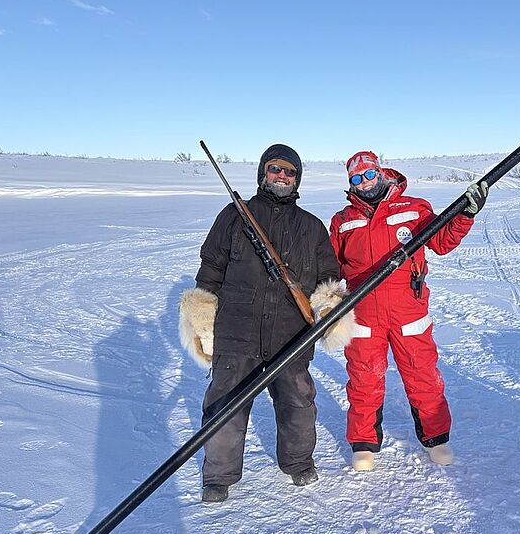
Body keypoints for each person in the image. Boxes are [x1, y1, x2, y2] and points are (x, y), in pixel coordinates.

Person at [178, 143, 343, 503]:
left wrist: (326, 310)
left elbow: (329, 278)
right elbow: (211, 267)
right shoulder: (234, 216)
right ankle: (219, 477)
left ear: (297, 179)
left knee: (298, 403)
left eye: (289, 171)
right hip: (237, 329)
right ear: (262, 173)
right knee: (225, 406)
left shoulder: (312, 227)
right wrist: (203, 317)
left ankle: (299, 463)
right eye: (275, 169)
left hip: (291, 334)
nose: (282, 176)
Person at [329, 150, 489, 471]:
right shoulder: (342, 221)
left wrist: (465, 215)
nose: (364, 182)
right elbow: (330, 266)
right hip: (363, 316)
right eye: (356, 178)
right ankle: (364, 445)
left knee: (423, 376)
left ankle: (436, 439)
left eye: (369, 174)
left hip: (408, 312)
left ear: (380, 173)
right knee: (364, 379)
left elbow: (442, 241)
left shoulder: (413, 208)